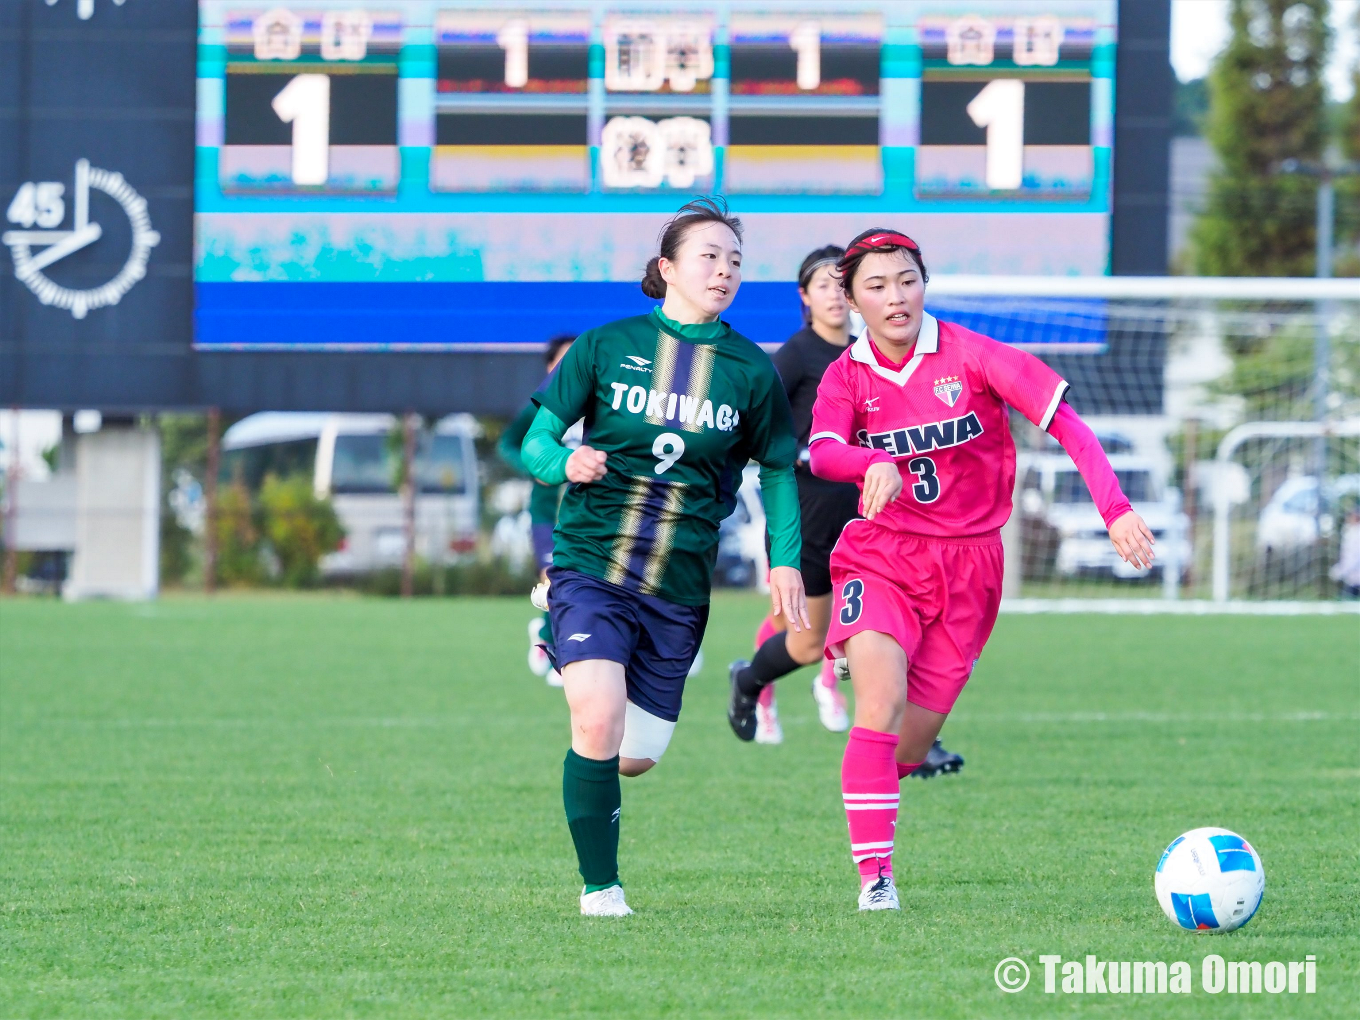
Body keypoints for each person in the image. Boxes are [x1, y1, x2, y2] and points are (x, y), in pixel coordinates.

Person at [804, 229, 1154, 911]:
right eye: (875, 286)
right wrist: (871, 462)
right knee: (877, 706)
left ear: (924, 282)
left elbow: (1072, 430)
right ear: (849, 300)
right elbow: (821, 452)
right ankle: (876, 880)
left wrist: (1114, 510)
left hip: (971, 570)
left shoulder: (974, 355)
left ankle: (873, 761)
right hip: (882, 555)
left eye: (906, 279)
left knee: (906, 746)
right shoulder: (845, 375)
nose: (895, 296)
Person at [519, 197, 808, 917]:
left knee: (631, 757)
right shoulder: (604, 345)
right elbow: (534, 440)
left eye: (735, 260)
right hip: (592, 559)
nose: (724, 270)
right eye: (709, 256)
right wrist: (563, 464)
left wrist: (785, 560)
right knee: (594, 717)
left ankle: (565, 633)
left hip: (677, 585)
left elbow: (776, 471)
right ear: (666, 268)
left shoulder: (749, 371)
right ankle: (600, 889)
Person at [725, 245, 966, 775]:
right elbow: (752, 425)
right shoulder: (796, 355)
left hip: (873, 516)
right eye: (824, 284)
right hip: (809, 515)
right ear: (805, 297)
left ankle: (914, 743)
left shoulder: (871, 355)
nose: (836, 294)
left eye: (843, 284)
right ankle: (748, 680)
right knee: (809, 643)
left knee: (899, 625)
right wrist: (806, 453)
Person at [499, 334, 576, 686]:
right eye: (562, 359)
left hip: (587, 518)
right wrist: (535, 467)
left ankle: (547, 635)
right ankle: (556, 650)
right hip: (548, 514)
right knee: (554, 577)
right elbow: (508, 444)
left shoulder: (601, 406)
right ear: (549, 367)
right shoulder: (540, 408)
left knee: (577, 583)